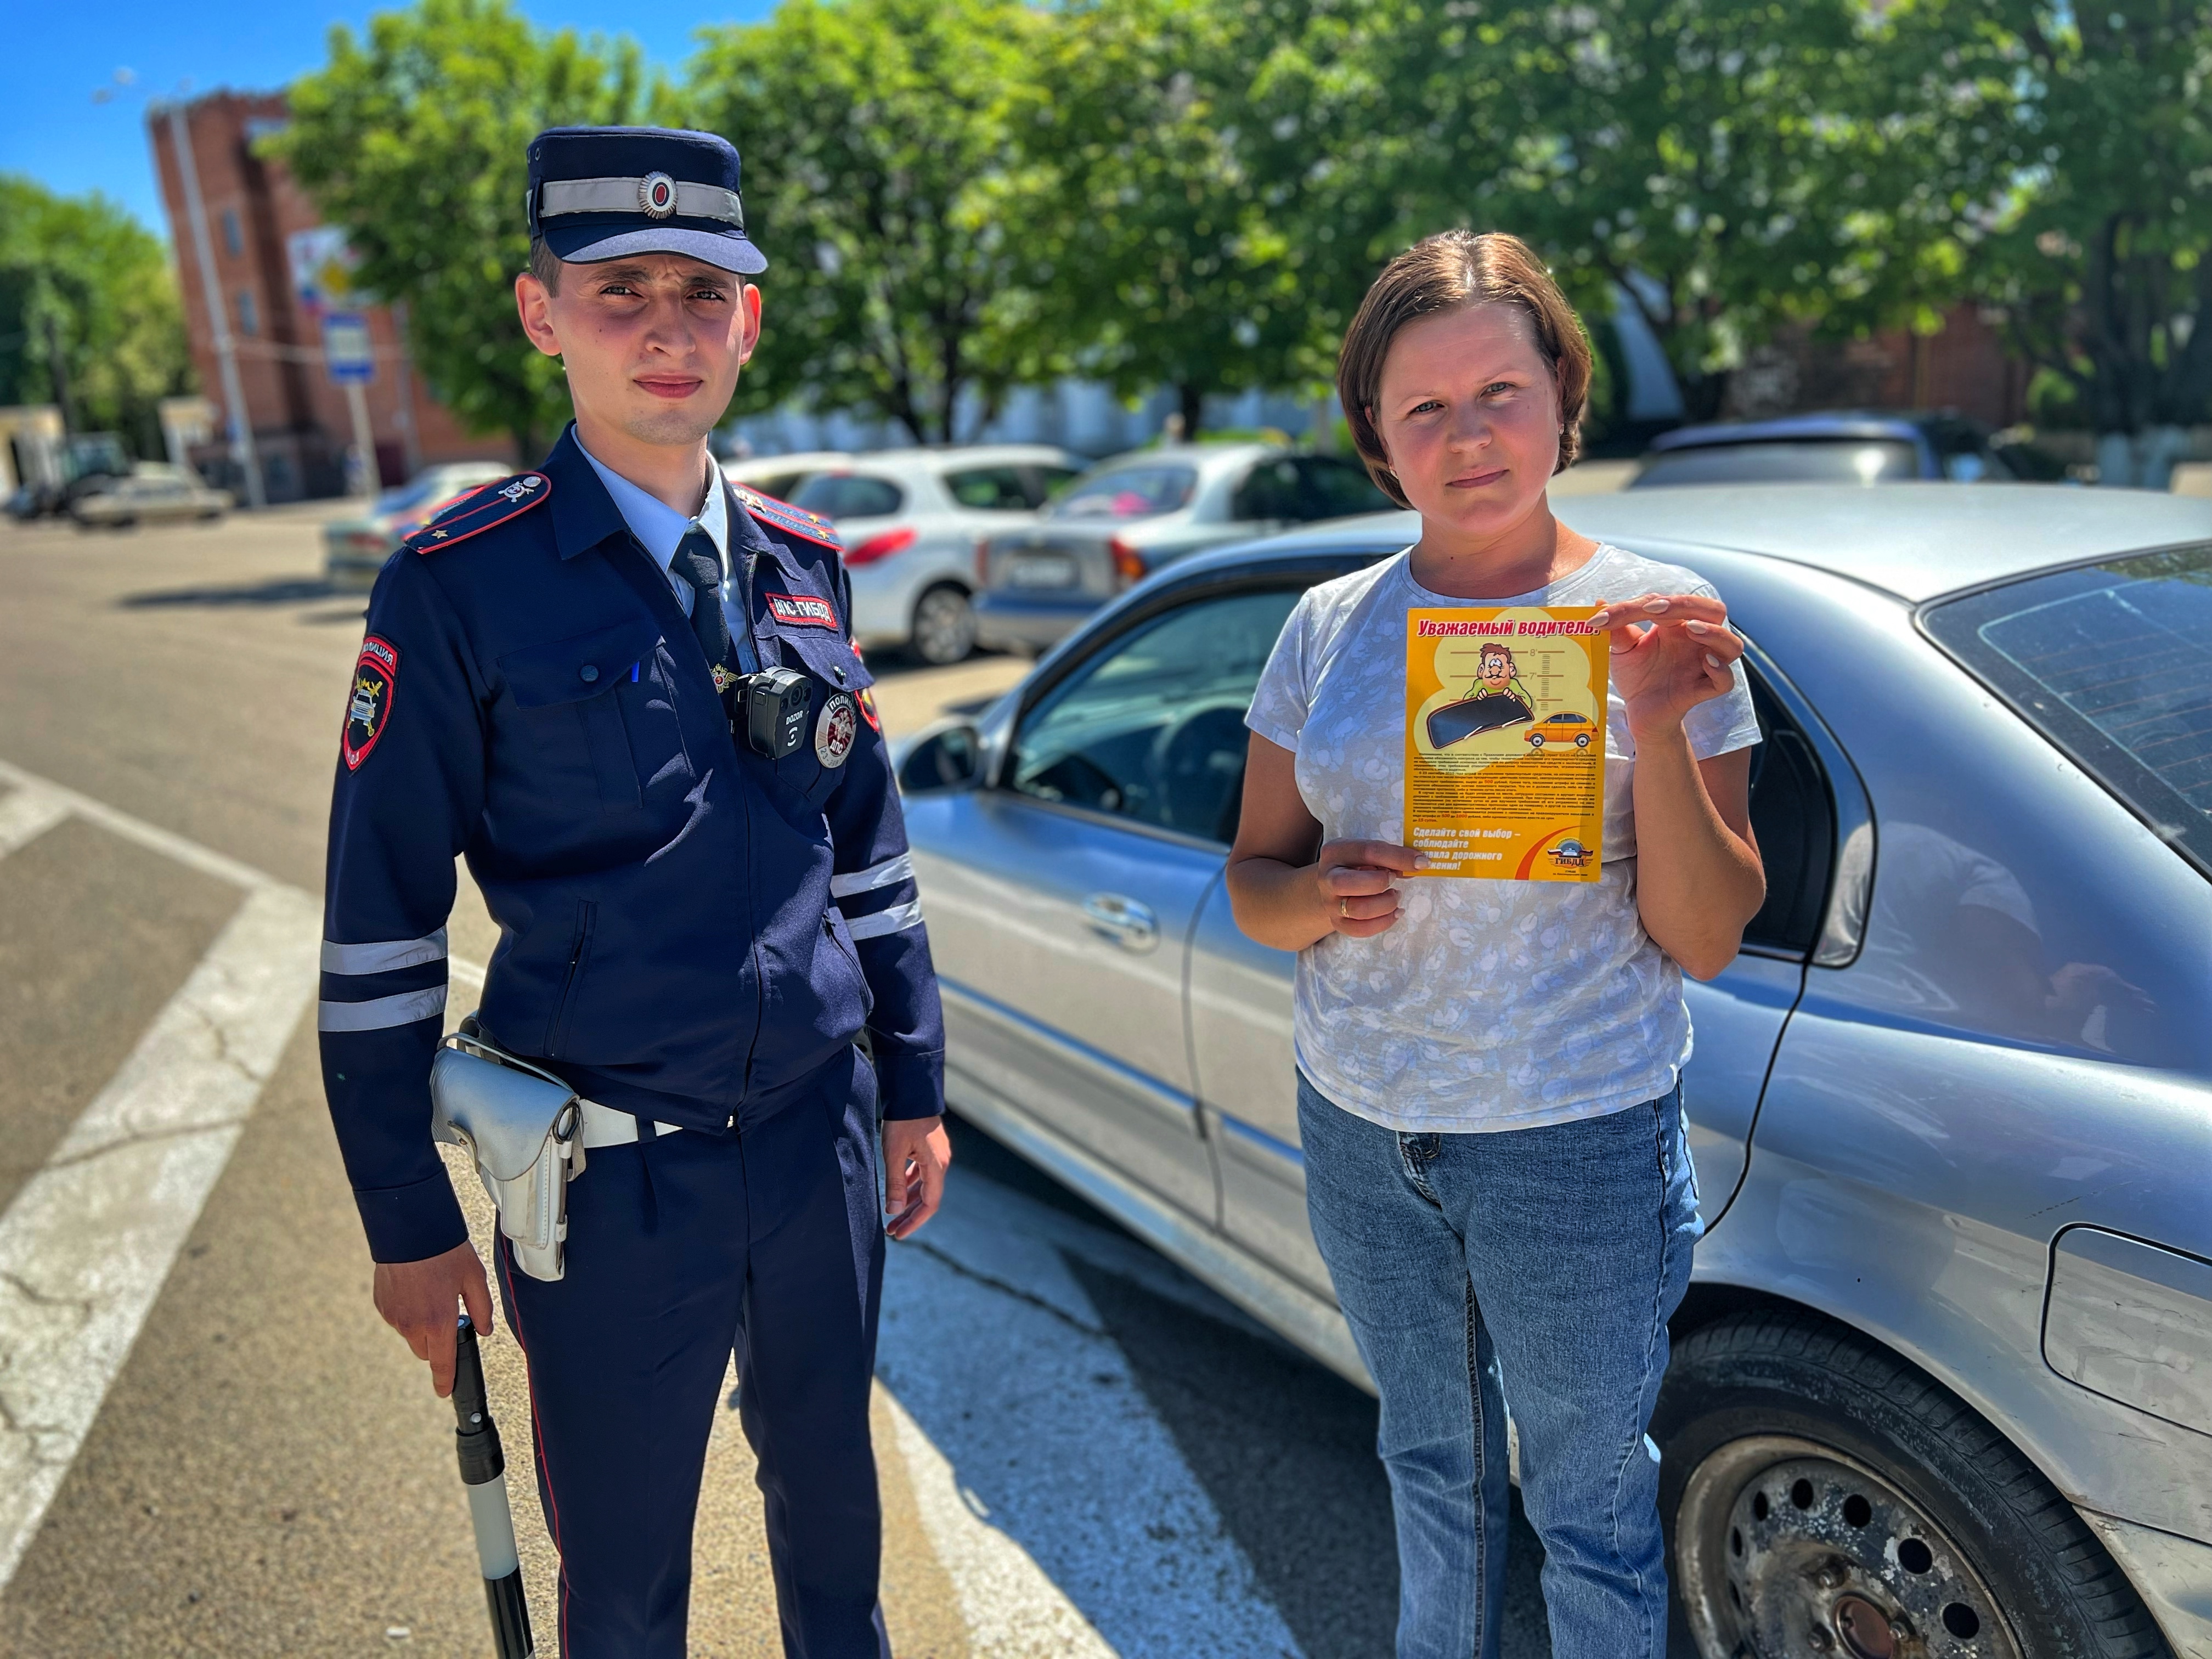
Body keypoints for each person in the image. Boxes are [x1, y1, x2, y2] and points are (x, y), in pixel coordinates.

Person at [315, 125, 951, 1658]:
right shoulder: (459, 583)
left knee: (837, 1538)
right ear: (542, 315)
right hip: (610, 1188)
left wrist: (913, 1088)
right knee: (624, 1588)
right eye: (620, 292)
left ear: (751, 319)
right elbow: (381, 931)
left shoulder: (803, 563)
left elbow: (869, 853)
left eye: (702, 292)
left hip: (818, 1147)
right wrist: (405, 1217)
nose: (668, 330)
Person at [1226, 229, 1767, 1659]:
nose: (1468, 437)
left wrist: (1659, 720)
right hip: (1363, 1124)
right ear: (1377, 436)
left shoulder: (1655, 619)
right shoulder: (1328, 627)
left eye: (1499, 393)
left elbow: (1706, 936)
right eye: (1425, 408)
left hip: (1574, 1136)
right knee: (1431, 1465)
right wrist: (1321, 894)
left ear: (1563, 395)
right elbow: (1254, 886)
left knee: (1587, 1503)